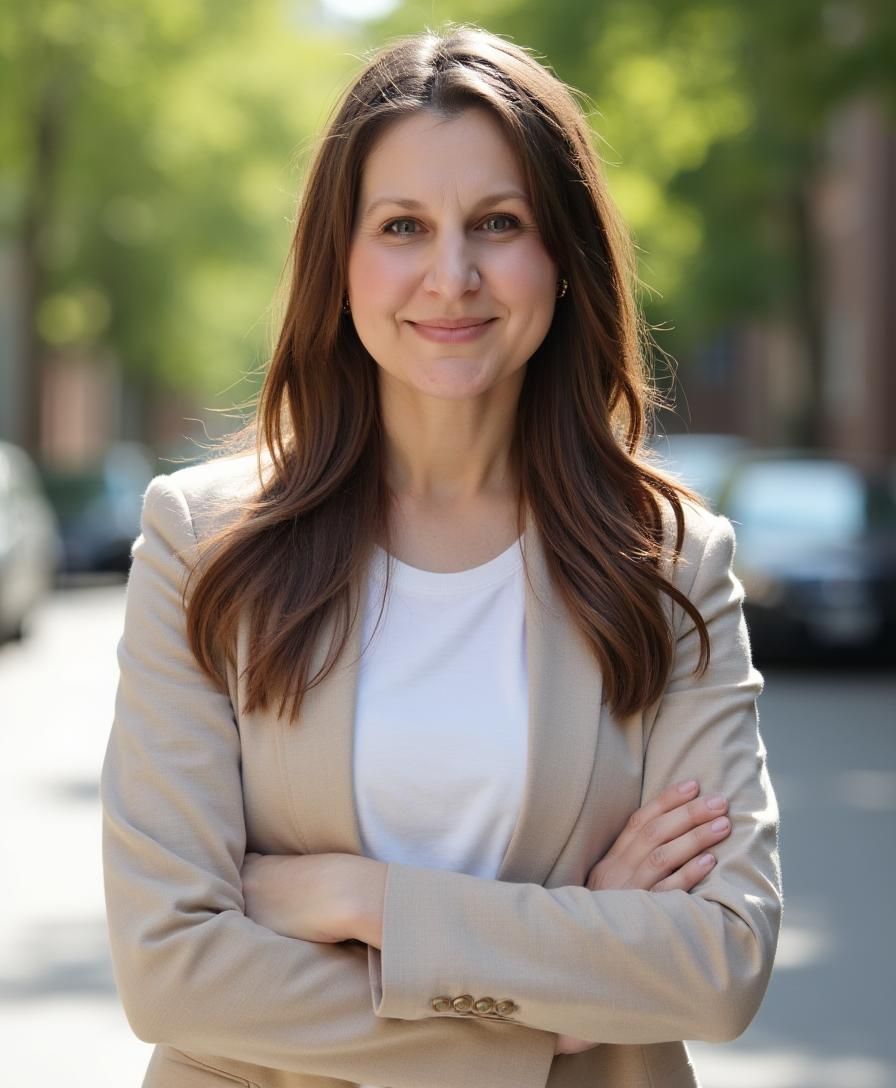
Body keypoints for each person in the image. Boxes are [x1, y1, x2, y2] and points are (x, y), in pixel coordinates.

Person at [100, 23, 782, 1088]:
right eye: (403, 225)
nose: (450, 274)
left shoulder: (666, 562)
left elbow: (719, 961)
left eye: (497, 222)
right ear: (341, 263)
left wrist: (365, 901)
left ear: (561, 259)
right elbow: (170, 969)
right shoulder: (204, 544)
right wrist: (558, 981)